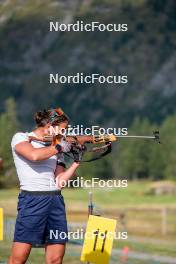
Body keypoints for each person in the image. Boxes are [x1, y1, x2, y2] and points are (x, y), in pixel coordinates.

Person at [8, 108, 80, 264]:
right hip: (32, 201)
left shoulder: (55, 145)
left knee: (55, 259)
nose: (65, 132)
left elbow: (59, 182)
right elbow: (34, 156)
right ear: (49, 125)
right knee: (18, 259)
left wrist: (76, 162)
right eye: (63, 129)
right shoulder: (21, 138)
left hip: (55, 201)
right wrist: (59, 146)